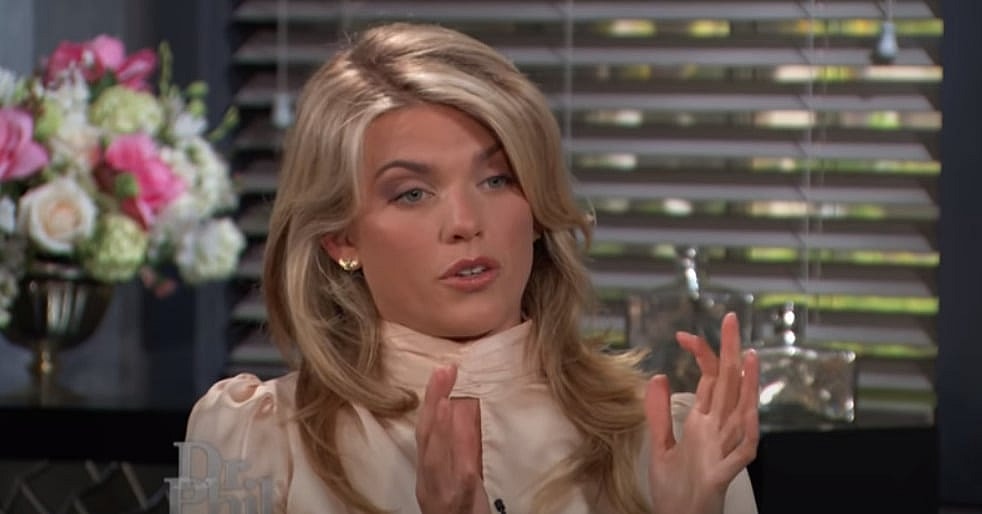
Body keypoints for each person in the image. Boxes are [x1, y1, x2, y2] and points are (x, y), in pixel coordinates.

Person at [183, 21, 760, 514]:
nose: (464, 222)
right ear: (340, 238)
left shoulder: (670, 440)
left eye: (497, 179)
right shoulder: (253, 441)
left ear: (536, 210)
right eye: (411, 193)